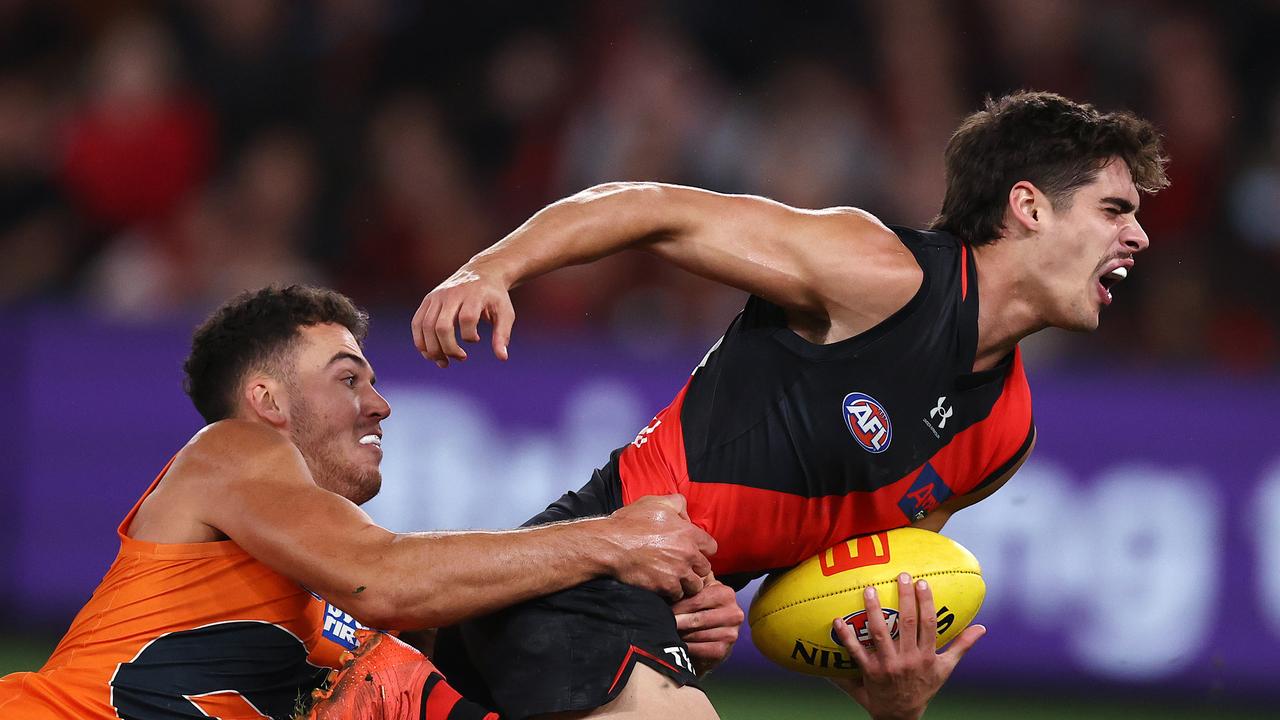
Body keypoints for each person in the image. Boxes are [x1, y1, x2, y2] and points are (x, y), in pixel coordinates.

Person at [399, 90, 1171, 720]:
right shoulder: (878, 276)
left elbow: (831, 591)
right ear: (1029, 207)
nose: (1138, 236)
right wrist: (491, 269)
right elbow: (650, 207)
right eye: (1113, 210)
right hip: (585, 573)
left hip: (650, 618)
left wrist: (886, 695)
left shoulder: (1004, 435)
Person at [0, 285, 728, 720]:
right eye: (349, 379)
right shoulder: (228, 451)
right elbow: (385, 576)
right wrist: (614, 540)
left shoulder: (360, 635)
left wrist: (655, 647)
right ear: (267, 400)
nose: (380, 404)